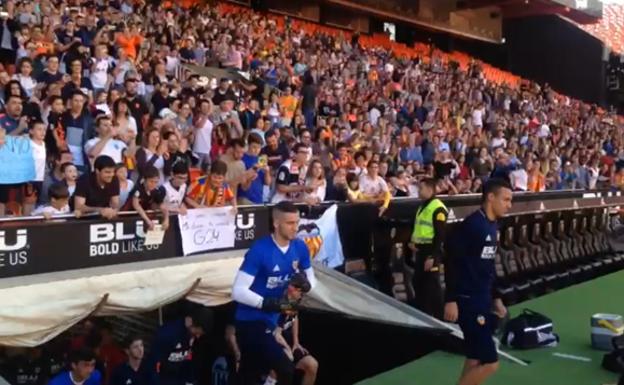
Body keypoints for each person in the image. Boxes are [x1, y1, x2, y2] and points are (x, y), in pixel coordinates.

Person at [231, 201, 316, 385]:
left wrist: (306, 284)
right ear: (276, 223)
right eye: (290, 223)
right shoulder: (259, 250)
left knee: (249, 373)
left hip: (272, 318)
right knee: (285, 369)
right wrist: (267, 303)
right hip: (250, 320)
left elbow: (312, 280)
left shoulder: (300, 248)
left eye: (297, 222)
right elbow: (238, 291)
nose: (296, 228)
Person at [444, 178, 513, 385]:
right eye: (506, 199)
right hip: (468, 300)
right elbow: (452, 261)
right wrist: (451, 299)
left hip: (483, 298)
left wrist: (496, 297)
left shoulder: (492, 225)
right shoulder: (473, 225)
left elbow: (488, 266)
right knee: (490, 362)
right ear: (490, 197)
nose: (509, 204)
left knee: (475, 357)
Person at [408, 178, 447, 318]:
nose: (419, 191)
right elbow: (420, 228)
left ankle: (439, 316)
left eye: (421, 188)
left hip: (430, 253)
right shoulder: (422, 206)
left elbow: (440, 235)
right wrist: (413, 242)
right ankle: (423, 314)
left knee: (432, 286)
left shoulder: (438, 208)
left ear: (430, 190)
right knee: (418, 283)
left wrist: (432, 256)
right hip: (420, 251)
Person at [273, 273, 318, 385]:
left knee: (312, 364)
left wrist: (296, 342)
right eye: (300, 291)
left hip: (287, 341)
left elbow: (295, 318)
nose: (301, 295)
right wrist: (288, 349)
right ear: (291, 288)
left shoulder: (293, 303)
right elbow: (276, 334)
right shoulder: (279, 304)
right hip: (273, 343)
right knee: (286, 367)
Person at [73, 155, 120, 219]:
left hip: (104, 216)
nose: (111, 175)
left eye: (113, 172)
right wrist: (100, 210)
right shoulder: (84, 180)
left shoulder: (114, 179)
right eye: (107, 172)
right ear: (97, 171)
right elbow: (79, 206)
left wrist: (113, 211)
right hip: (84, 218)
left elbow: (115, 203)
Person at [130, 165, 170, 231]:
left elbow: (162, 205)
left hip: (143, 219)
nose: (153, 184)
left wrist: (166, 219)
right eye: (151, 181)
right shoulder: (138, 189)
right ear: (144, 179)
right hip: (129, 217)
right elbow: (136, 206)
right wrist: (148, 220)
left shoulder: (156, 191)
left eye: (156, 182)